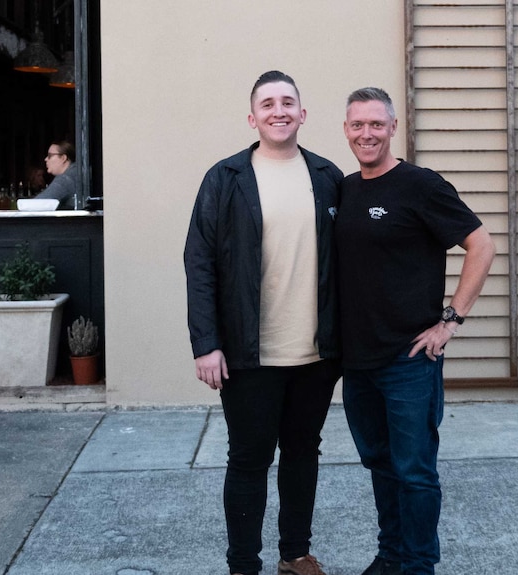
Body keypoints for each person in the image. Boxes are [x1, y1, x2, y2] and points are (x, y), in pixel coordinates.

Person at [184, 70, 343, 575]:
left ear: (302, 113)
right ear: (253, 117)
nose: (279, 111)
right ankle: (244, 565)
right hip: (248, 354)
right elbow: (199, 261)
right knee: (249, 461)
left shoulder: (327, 177)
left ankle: (295, 555)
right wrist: (206, 344)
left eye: (288, 102)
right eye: (268, 104)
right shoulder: (225, 178)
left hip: (316, 355)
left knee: (303, 454)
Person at [336, 87, 496, 575]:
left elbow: (481, 245)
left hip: (409, 360)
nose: (367, 134)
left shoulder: (421, 185)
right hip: (357, 361)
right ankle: (392, 557)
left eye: (376, 125)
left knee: (415, 472)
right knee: (380, 466)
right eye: (358, 125)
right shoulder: (342, 190)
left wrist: (451, 320)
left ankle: (419, 565)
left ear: (393, 127)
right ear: (346, 130)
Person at [36, 140, 78, 209]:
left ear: (63, 158)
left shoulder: (65, 179)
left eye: (50, 156)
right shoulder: (75, 172)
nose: (46, 159)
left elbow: (37, 204)